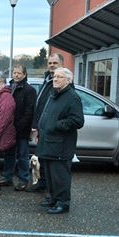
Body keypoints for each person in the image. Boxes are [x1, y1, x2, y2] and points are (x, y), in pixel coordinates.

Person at [37, 68, 84, 214]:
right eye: (55, 76)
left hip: (61, 145)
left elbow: (78, 121)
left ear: (68, 80)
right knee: (50, 173)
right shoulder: (55, 94)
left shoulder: (72, 97)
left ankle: (63, 202)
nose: (55, 79)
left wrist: (56, 125)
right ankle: (53, 198)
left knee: (60, 174)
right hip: (49, 142)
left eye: (59, 77)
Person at [28, 53, 64, 193]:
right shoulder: (47, 80)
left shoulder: (61, 83)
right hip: (42, 126)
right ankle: (42, 183)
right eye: (50, 63)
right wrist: (36, 125)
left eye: (55, 63)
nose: (52, 66)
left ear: (61, 64)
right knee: (42, 156)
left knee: (49, 159)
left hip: (51, 128)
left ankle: (50, 188)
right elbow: (41, 104)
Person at [0, 64, 36, 191]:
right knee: (9, 154)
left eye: (19, 73)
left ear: (24, 75)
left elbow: (29, 112)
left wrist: (18, 126)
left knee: (22, 156)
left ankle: (23, 179)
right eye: (14, 72)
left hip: (21, 129)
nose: (16, 75)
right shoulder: (9, 88)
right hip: (8, 129)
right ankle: (7, 177)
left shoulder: (29, 90)